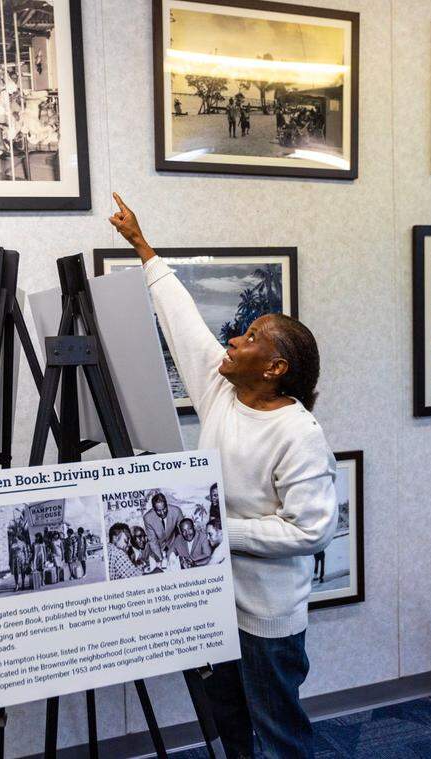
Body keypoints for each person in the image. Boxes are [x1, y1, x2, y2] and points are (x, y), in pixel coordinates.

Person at [109, 193, 337, 759]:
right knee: (230, 725)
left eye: (252, 337)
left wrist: (214, 533)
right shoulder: (221, 394)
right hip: (213, 602)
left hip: (266, 617)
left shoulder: (298, 433)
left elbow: (312, 532)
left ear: (274, 368)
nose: (234, 339)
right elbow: (184, 325)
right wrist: (144, 249)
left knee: (279, 732)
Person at [142, 492, 183, 563]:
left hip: (173, 544)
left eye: (164, 509)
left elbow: (182, 534)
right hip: (157, 548)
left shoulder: (176, 511)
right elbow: (153, 541)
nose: (162, 513)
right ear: (154, 509)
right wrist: (160, 559)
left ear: (166, 505)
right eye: (158, 511)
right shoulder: (148, 518)